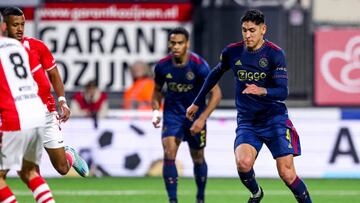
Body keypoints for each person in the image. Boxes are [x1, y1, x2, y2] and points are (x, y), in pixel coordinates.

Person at [186, 9, 312, 203]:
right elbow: (215, 74)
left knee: (287, 175)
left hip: (274, 119)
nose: (247, 35)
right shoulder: (232, 52)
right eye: (244, 30)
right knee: (243, 163)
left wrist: (262, 90)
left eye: (252, 30)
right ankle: (256, 193)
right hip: (248, 122)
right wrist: (196, 102)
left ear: (263, 29)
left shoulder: (275, 54)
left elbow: (283, 91)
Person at [3, 7, 89, 177]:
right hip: (22, 115)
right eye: (15, 25)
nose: (20, 29)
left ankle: (69, 154)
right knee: (31, 169)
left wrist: (62, 101)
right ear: (4, 26)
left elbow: (54, 74)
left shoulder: (37, 46)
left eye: (22, 24)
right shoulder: (2, 50)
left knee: (62, 168)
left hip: (46, 113)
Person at [152, 27, 222, 203]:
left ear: (187, 44)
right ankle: (173, 200)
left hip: (194, 117)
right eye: (173, 43)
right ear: (169, 44)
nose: (176, 46)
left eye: (180, 43)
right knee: (169, 153)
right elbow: (157, 91)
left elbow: (216, 94)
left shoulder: (199, 66)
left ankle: (200, 197)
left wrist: (202, 118)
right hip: (172, 115)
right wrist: (155, 111)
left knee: (197, 157)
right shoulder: (162, 66)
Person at [0, 13, 56, 202]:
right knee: (29, 172)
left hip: (14, 117)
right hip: (37, 113)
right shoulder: (18, 47)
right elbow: (44, 84)